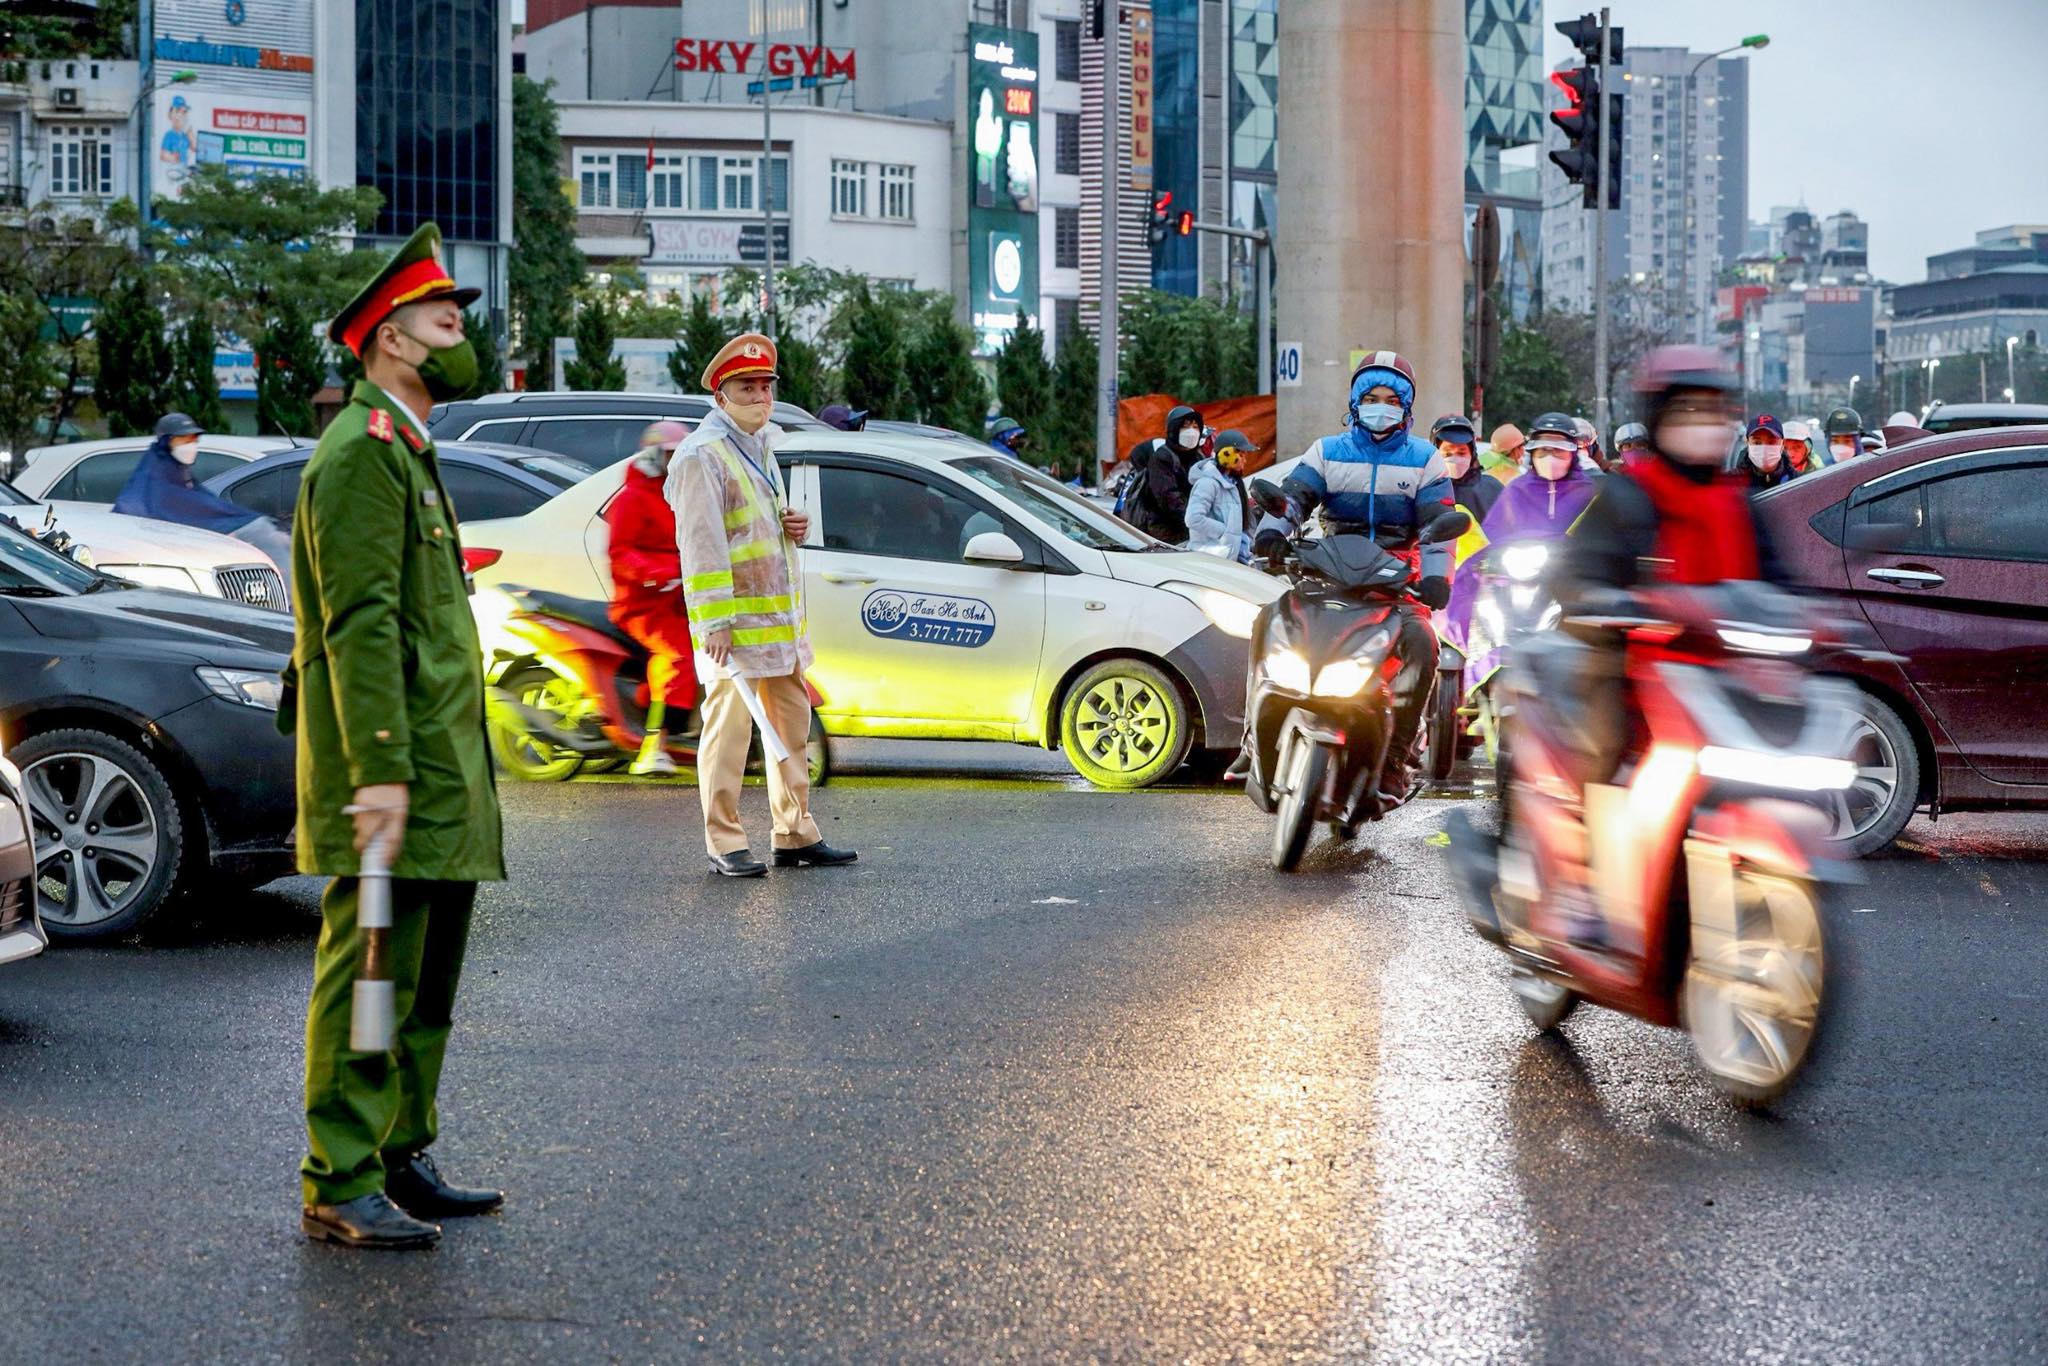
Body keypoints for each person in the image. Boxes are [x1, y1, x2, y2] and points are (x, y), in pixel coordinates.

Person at [290, 223, 506, 1251]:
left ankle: (399, 1151)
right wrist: (378, 767)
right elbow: (360, 623)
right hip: (394, 763)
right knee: (371, 976)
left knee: (424, 982)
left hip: (441, 763)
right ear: (388, 337)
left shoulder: (408, 449)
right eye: (442, 317)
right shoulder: (360, 454)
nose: (461, 331)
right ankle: (340, 1173)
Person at [670, 332, 855, 878]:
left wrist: (791, 524)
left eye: (765, 387)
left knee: (791, 731)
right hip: (731, 631)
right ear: (721, 396)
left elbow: (752, 527)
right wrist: (714, 622)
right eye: (746, 387)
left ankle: (794, 833)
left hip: (777, 627)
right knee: (729, 737)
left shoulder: (759, 446)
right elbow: (701, 545)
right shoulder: (702, 455)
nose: (759, 397)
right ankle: (724, 841)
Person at [1253, 351, 1453, 796]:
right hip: (1329, 571)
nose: (1381, 408)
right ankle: (1254, 737)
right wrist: (1271, 533)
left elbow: (1438, 527)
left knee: (1423, 643)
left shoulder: (1426, 459)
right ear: (1355, 402)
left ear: (1406, 407)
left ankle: (1395, 759)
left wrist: (1437, 578)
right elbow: (1293, 500)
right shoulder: (1326, 451)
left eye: (1392, 400)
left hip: (1396, 581)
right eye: (1371, 398)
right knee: (1268, 618)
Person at [606, 420, 700, 775]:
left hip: (678, 598)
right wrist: (660, 574)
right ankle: (654, 745)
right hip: (643, 605)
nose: (678, 461)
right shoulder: (633, 498)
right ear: (655, 455)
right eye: (672, 454)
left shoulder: (676, 493)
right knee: (677, 656)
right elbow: (621, 553)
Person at [111, 411, 294, 580]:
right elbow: (180, 509)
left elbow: (207, 503)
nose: (190, 445)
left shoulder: (179, 471)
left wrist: (245, 524)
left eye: (193, 439)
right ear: (166, 441)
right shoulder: (156, 475)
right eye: (183, 440)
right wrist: (233, 527)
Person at [1477, 412, 1600, 542]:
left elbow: (1601, 537)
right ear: (1532, 453)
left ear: (1573, 453)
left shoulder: (1589, 492)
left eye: (1559, 450)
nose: (1550, 457)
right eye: (1543, 450)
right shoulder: (1517, 489)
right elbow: (1492, 535)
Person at [1129, 405, 1204, 542]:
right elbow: (1169, 498)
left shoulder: (1199, 458)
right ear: (1174, 429)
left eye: (1195, 427)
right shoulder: (1162, 458)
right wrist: (1196, 520)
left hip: (1193, 529)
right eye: (1186, 426)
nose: (1192, 432)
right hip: (1165, 534)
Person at [1185, 428, 1255, 561]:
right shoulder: (1207, 483)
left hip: (1226, 559)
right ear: (1227, 454)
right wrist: (1225, 532)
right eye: (1241, 455)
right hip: (1208, 560)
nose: (1244, 461)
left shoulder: (1233, 485)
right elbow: (1193, 518)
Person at [1431, 413, 1502, 525]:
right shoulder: (1425, 490)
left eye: (1461, 453)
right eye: (1448, 453)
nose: (1455, 458)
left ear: (1472, 453)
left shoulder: (1493, 488)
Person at [1740, 414, 1794, 490]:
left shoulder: (1798, 482)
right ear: (1748, 444)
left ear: (1783, 444)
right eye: (1757, 443)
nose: (1764, 449)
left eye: (1772, 442)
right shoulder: (1730, 483)